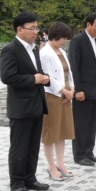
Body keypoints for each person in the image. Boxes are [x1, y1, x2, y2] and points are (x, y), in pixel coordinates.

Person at [0, 12, 50, 191]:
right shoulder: (10, 49)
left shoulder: (34, 49)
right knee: (19, 147)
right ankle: (17, 183)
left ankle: (30, 178)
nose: (36, 31)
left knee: (33, 146)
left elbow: (37, 72)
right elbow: (7, 77)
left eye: (37, 27)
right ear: (20, 30)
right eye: (32, 28)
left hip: (36, 104)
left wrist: (44, 78)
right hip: (20, 107)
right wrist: (33, 79)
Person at [39, 22, 75, 181]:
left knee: (62, 130)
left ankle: (60, 163)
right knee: (51, 132)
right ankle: (51, 165)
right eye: (63, 38)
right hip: (53, 95)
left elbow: (69, 73)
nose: (65, 41)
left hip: (66, 94)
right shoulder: (45, 53)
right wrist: (64, 91)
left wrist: (71, 90)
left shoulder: (61, 51)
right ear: (55, 36)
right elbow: (49, 78)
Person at [69, 13, 96, 166]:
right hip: (82, 89)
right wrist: (78, 89)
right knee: (81, 123)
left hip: (95, 89)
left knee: (92, 122)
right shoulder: (77, 41)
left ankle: (89, 152)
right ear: (88, 25)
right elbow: (74, 67)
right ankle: (80, 154)